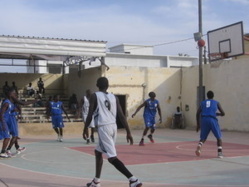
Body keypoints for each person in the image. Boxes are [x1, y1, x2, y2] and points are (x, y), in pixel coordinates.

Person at [83, 77, 142, 187]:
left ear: (97, 85)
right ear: (108, 85)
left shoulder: (94, 96)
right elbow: (121, 115)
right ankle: (96, 181)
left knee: (111, 157)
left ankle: (133, 180)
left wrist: (85, 128)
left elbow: (90, 114)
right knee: (98, 152)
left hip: (104, 127)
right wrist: (128, 132)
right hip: (113, 127)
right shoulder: (114, 97)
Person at [195, 90, 225, 158]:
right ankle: (219, 153)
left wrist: (198, 125)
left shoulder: (202, 103)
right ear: (213, 96)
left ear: (207, 96)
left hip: (204, 120)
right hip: (212, 119)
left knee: (203, 137)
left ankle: (199, 146)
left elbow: (197, 113)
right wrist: (218, 114)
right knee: (219, 137)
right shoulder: (216, 102)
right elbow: (223, 113)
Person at [0, 88, 17, 158]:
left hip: (5, 122)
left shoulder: (9, 103)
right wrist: (3, 124)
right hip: (3, 122)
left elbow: (7, 112)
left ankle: (3, 152)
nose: (15, 94)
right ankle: (2, 152)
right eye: (14, 93)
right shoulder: (6, 103)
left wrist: (13, 110)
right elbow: (1, 113)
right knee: (7, 137)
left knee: (6, 137)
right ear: (10, 94)